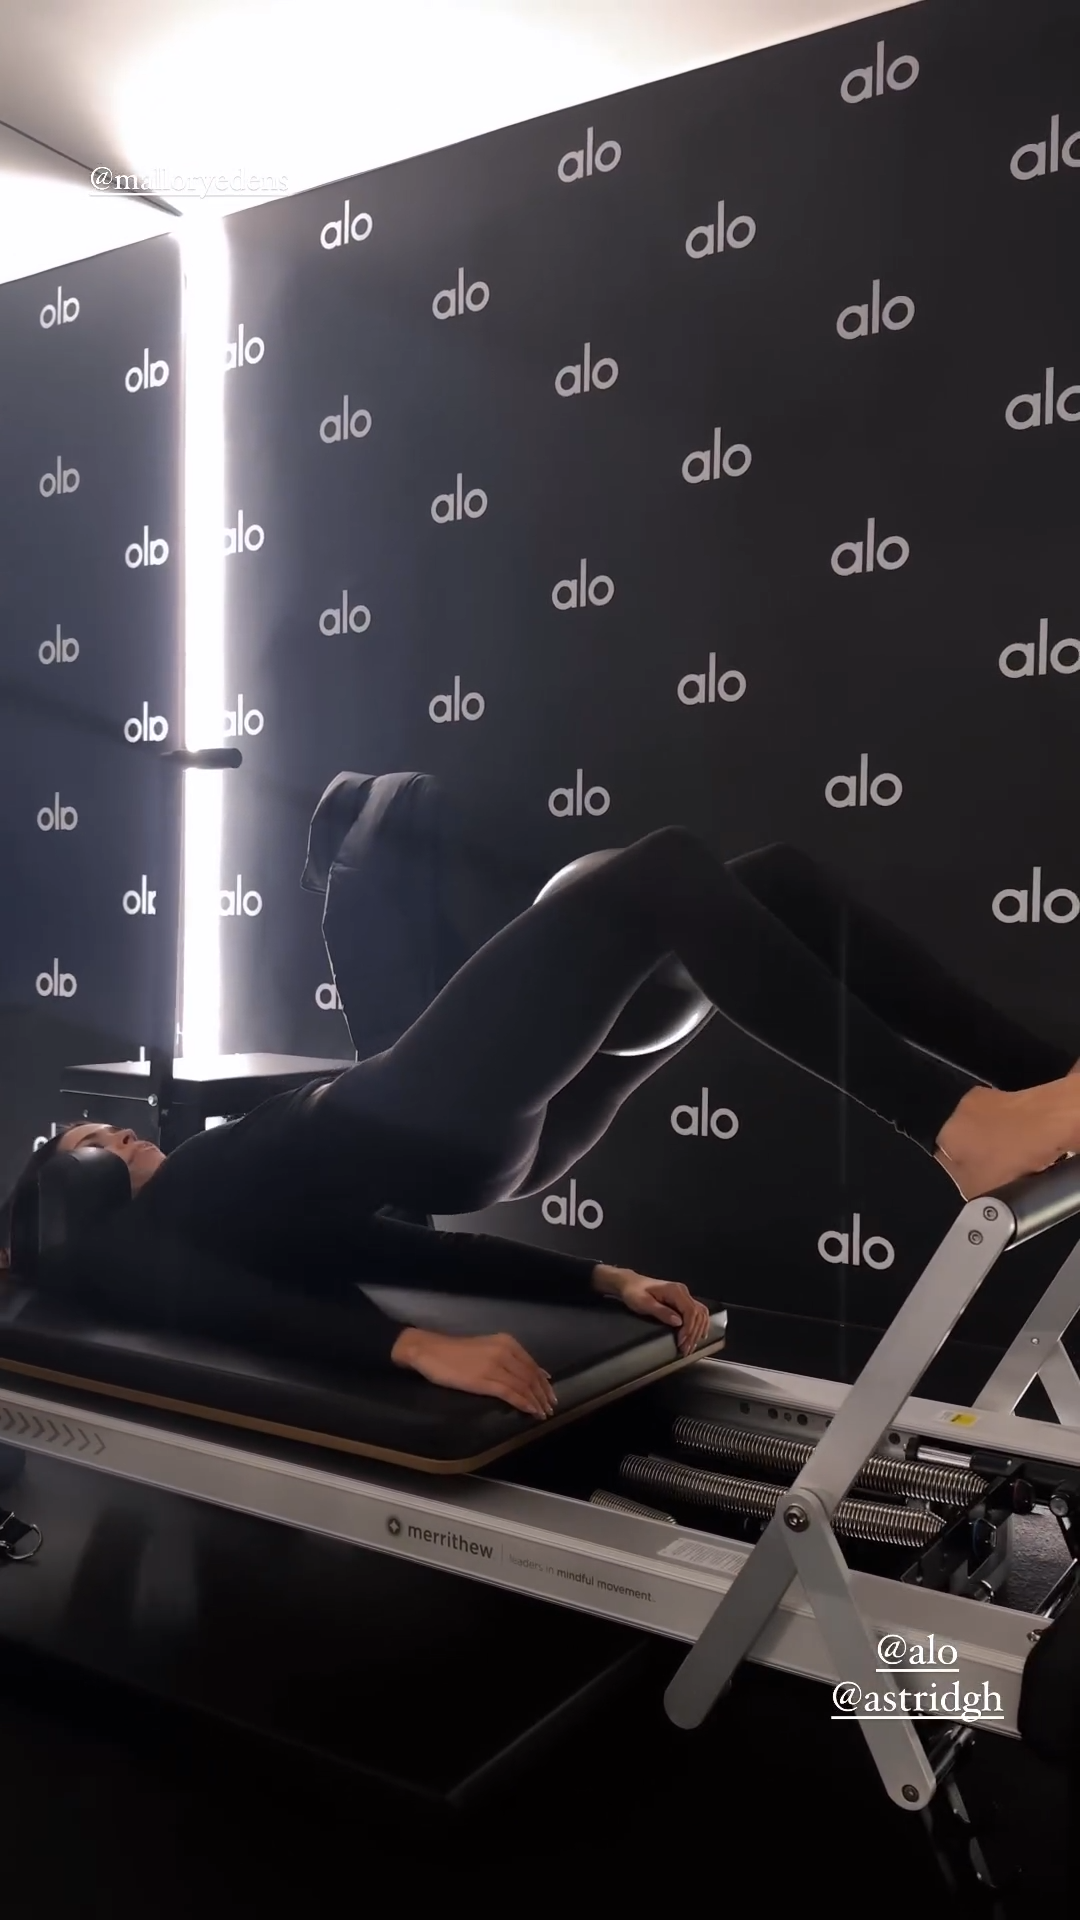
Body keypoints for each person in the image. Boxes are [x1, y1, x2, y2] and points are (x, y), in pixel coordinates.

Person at [3, 830, 1080, 1418]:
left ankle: (1044, 1084)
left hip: (476, 1137)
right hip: (424, 1108)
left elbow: (398, 1250)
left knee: (770, 886)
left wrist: (597, 1279)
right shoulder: (126, 1250)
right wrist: (411, 1347)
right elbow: (233, 1314)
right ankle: (960, 1125)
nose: (109, 1133)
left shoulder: (212, 1215)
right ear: (70, 1199)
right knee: (656, 875)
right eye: (87, 1146)